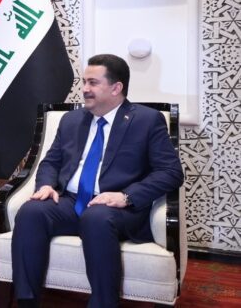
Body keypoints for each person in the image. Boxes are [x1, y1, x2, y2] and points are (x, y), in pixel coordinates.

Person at [11, 53, 184, 308]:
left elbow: (171, 172)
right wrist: (46, 185)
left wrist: (126, 196)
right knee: (31, 212)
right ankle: (26, 302)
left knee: (96, 218)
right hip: (71, 201)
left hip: (116, 208)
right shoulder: (71, 120)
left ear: (116, 88)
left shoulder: (146, 120)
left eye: (93, 82)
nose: (84, 89)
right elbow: (50, 162)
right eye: (84, 82)